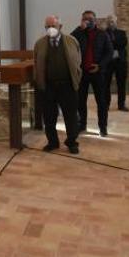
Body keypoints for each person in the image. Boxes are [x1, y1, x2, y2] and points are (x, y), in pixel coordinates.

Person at [34, 15, 82, 154]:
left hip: (67, 85)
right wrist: (39, 82)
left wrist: (76, 78)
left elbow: (78, 61)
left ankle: (72, 142)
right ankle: (52, 142)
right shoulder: (40, 44)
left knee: (70, 115)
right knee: (49, 116)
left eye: (53, 26)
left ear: (60, 27)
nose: (50, 29)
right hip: (48, 86)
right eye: (47, 27)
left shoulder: (72, 41)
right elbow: (37, 63)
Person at [71, 11, 113, 136]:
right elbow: (69, 41)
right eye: (85, 19)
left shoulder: (102, 34)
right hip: (82, 72)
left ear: (95, 20)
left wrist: (100, 66)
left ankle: (103, 127)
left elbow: (109, 52)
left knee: (101, 101)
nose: (88, 21)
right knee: (80, 100)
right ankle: (82, 124)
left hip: (98, 72)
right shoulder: (78, 33)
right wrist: (79, 28)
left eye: (90, 18)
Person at [102, 15, 129, 112]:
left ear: (116, 22)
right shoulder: (102, 33)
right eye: (109, 21)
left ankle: (121, 104)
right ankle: (106, 104)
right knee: (106, 84)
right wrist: (113, 45)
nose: (111, 23)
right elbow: (102, 45)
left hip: (120, 62)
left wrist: (111, 44)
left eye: (112, 21)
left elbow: (123, 44)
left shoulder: (122, 33)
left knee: (121, 84)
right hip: (108, 62)